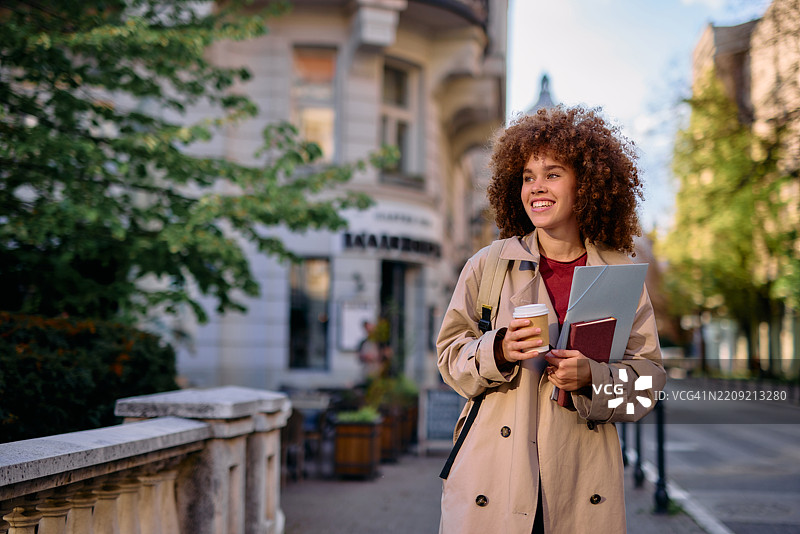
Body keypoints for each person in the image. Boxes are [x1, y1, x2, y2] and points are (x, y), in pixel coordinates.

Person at [436, 105, 667, 534]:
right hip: (491, 484)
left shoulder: (619, 276)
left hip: (580, 485)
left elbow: (647, 385)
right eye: (527, 176)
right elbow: (450, 361)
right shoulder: (487, 266)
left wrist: (594, 378)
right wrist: (498, 350)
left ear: (588, 185)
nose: (536, 187)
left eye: (553, 173)